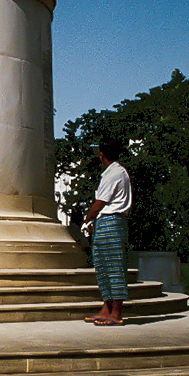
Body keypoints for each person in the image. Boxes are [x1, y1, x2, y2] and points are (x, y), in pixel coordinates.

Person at [81, 138, 132, 326]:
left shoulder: (115, 173)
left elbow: (100, 202)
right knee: (102, 266)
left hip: (112, 220)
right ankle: (106, 308)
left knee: (114, 267)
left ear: (102, 154)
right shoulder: (112, 172)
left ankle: (116, 312)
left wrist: (87, 219)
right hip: (105, 222)